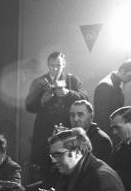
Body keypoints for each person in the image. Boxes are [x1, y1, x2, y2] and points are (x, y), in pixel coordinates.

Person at [25, 52, 87, 182]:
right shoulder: (39, 82)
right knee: (43, 170)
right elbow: (28, 106)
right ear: (48, 65)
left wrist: (69, 93)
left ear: (64, 65)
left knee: (66, 169)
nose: (55, 69)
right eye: (52, 66)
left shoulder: (72, 80)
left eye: (58, 65)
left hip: (67, 134)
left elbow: (85, 99)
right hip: (44, 135)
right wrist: (42, 101)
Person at [93, 59, 131, 140]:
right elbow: (101, 118)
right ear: (122, 70)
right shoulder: (105, 85)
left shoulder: (117, 83)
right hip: (106, 136)